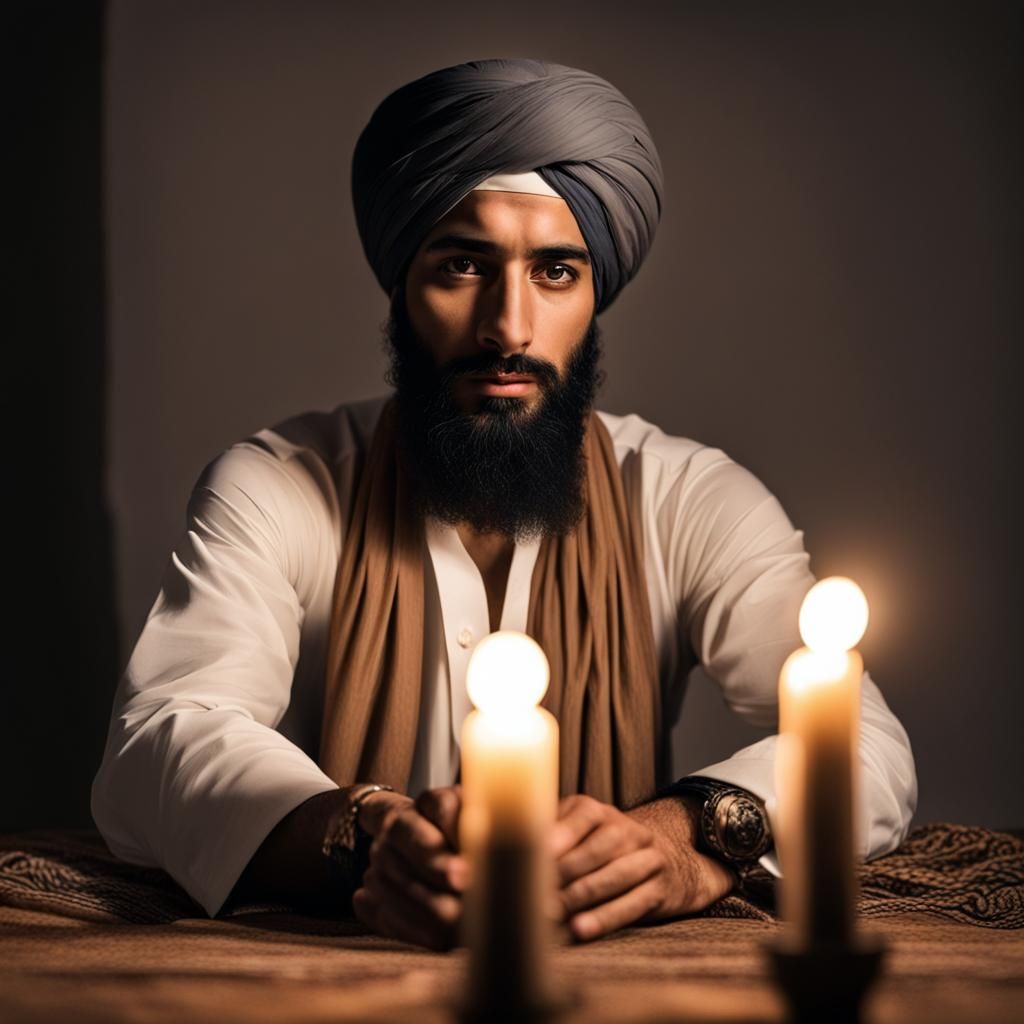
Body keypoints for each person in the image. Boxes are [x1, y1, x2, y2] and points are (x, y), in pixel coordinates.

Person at [92, 58, 916, 951]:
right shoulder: (280, 485)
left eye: (555, 271)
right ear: (402, 287)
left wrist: (681, 839)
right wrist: (361, 836)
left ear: (595, 296)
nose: (509, 328)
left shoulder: (688, 498)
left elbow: (868, 746)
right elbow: (160, 745)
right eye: (462, 265)